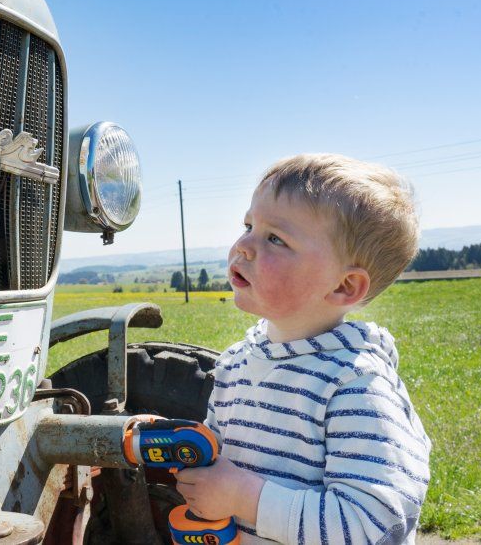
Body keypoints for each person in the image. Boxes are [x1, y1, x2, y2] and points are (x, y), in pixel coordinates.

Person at [176, 154, 431, 544]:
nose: (243, 246)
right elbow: (217, 469)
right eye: (248, 226)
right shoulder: (237, 365)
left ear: (344, 287)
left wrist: (243, 497)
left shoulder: (354, 386)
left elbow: (370, 527)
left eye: (275, 238)